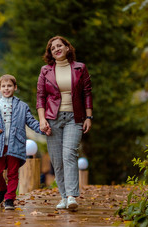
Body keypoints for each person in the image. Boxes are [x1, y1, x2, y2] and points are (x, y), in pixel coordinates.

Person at [36, 36, 93, 210]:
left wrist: (89, 117)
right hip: (53, 119)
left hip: (74, 118)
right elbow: (40, 97)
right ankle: (63, 196)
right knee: (57, 160)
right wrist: (42, 119)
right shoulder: (45, 70)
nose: (56, 49)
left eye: (60, 46)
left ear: (68, 48)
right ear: (50, 53)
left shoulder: (80, 68)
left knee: (69, 154)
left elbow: (87, 93)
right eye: (53, 48)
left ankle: (71, 196)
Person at [0, 74, 48, 210]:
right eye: (4, 86)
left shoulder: (22, 106)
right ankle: (2, 189)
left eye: (9, 86)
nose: (7, 89)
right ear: (0, 89)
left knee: (13, 173)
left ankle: (10, 199)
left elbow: (31, 121)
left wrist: (42, 129)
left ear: (15, 87)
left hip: (16, 143)